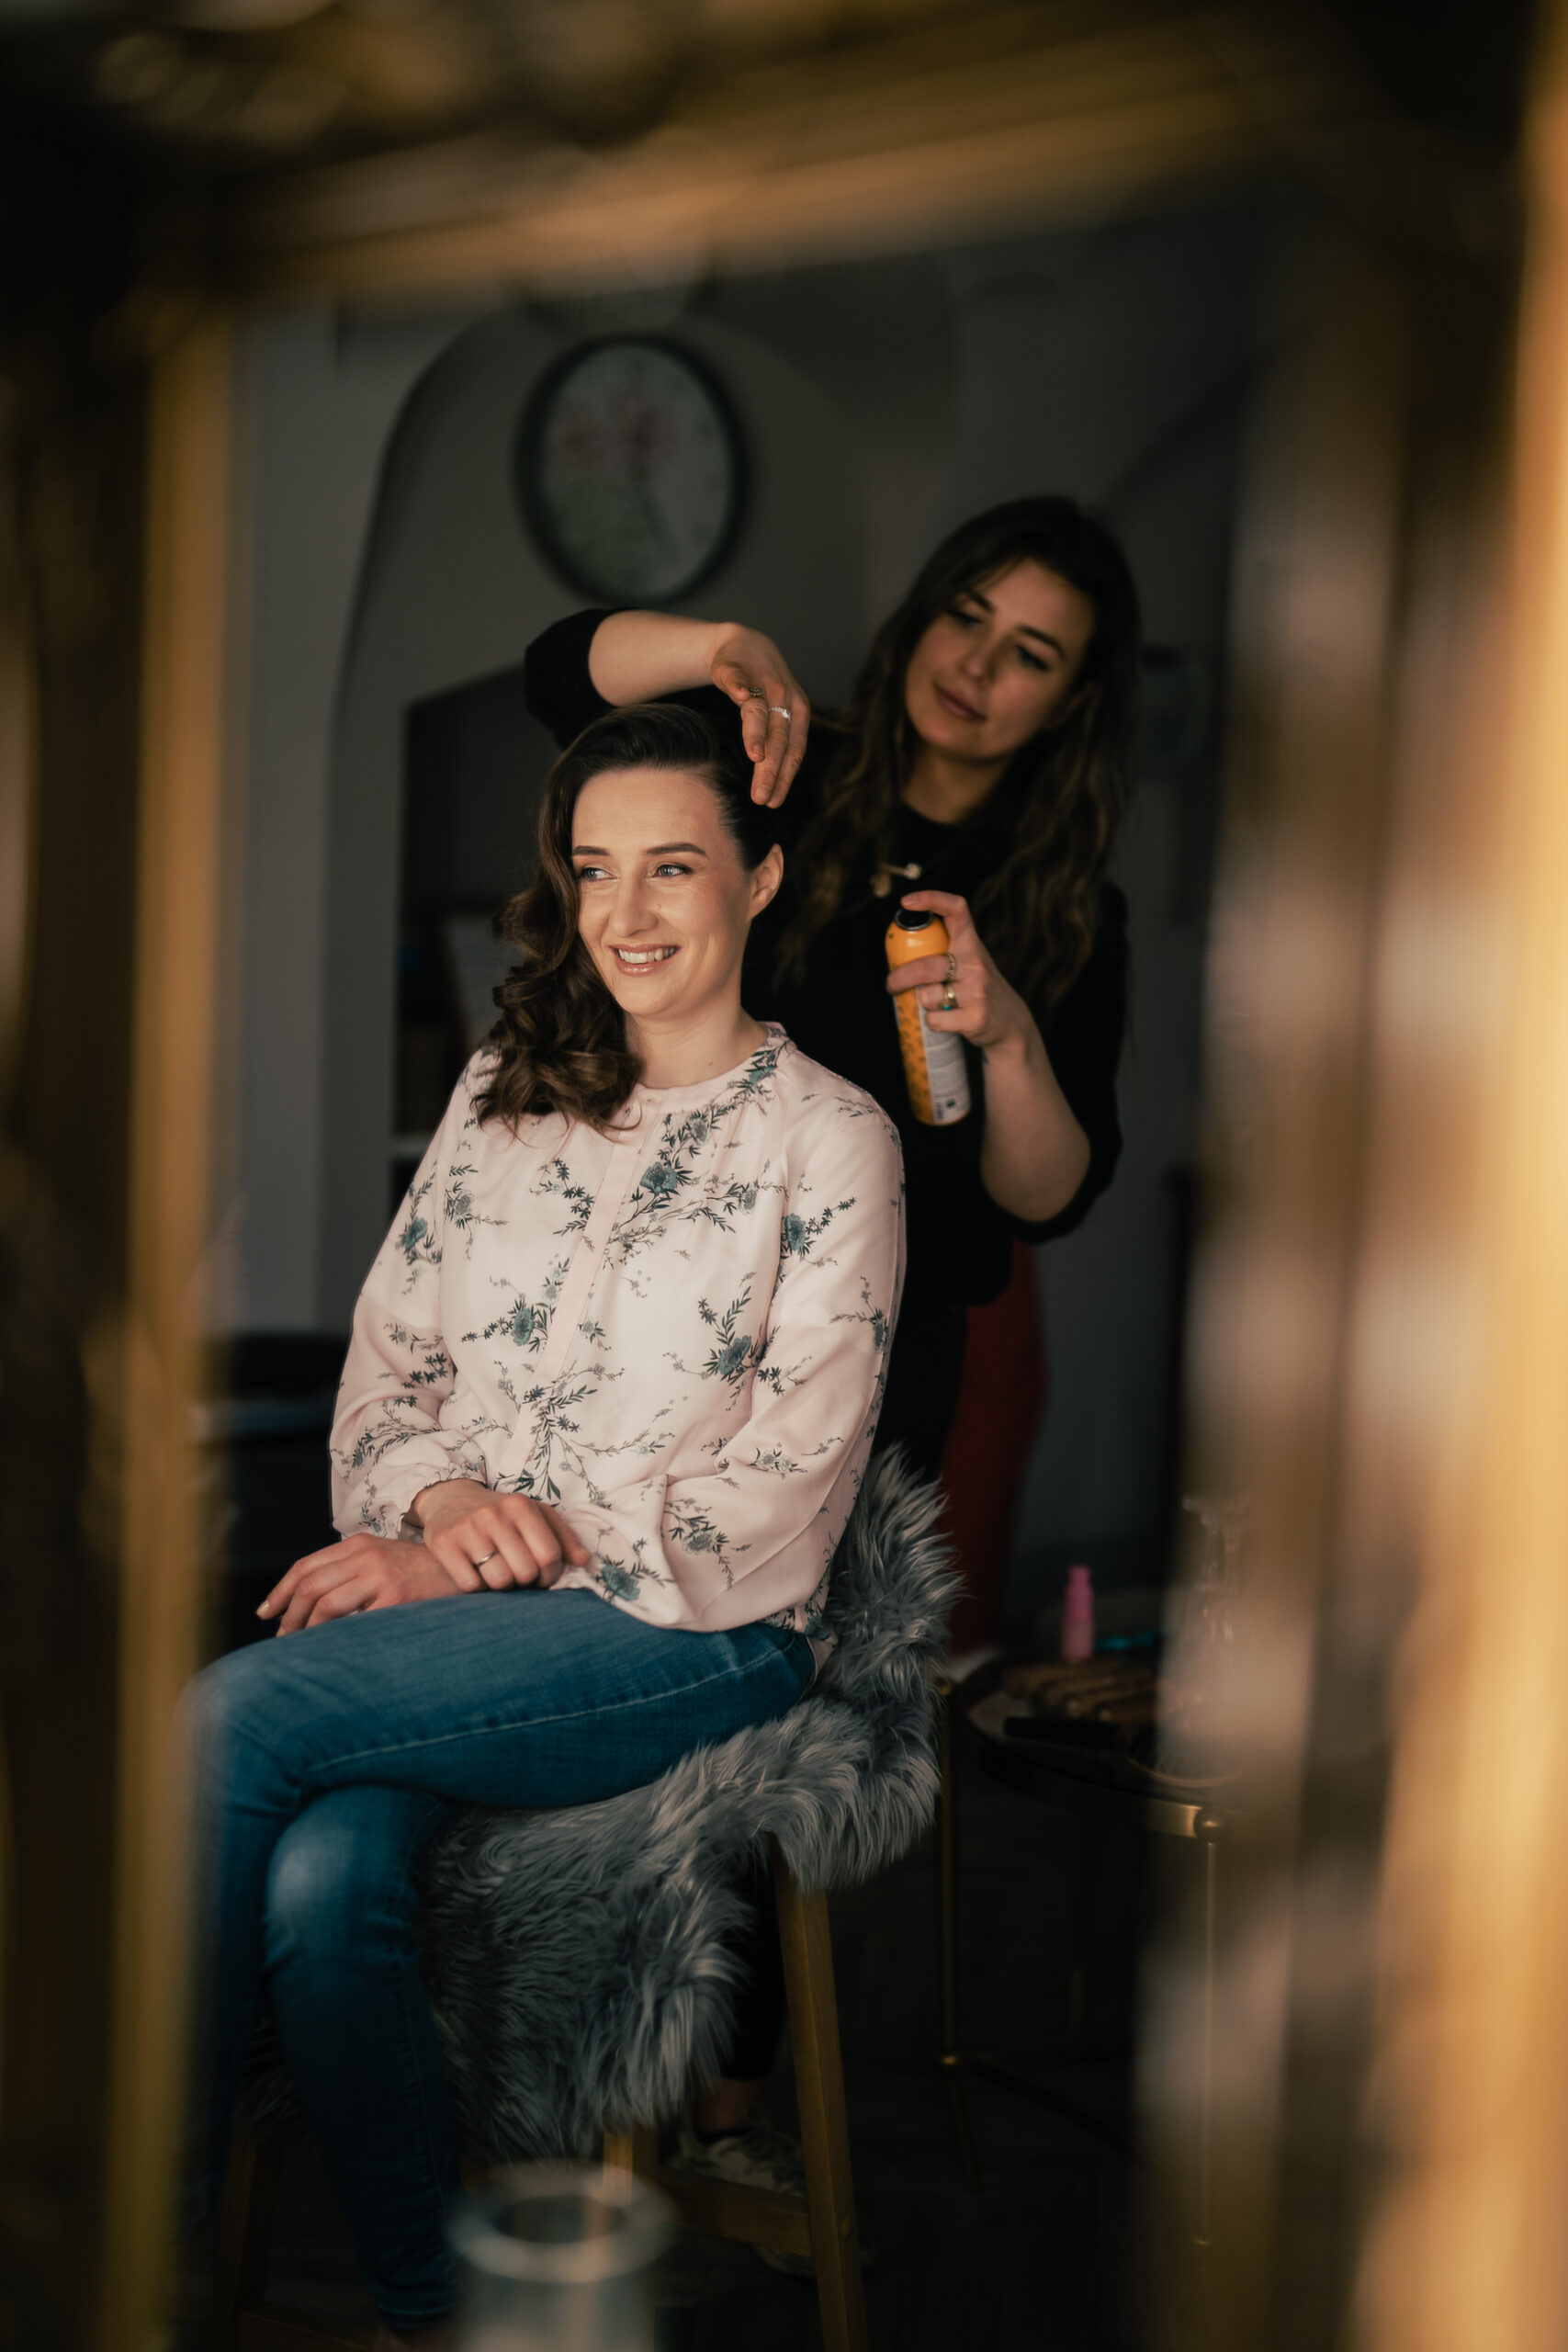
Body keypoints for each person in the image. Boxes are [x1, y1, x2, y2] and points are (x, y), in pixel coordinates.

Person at [186, 703, 905, 2349]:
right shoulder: (501, 1093)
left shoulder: (836, 1143)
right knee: (314, 1886)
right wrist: (436, 1499)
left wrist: (486, 1545)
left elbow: (784, 1495)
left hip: (697, 1633)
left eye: (674, 866)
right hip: (466, 1622)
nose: (629, 913)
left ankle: (130, 2264)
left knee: (228, 1720)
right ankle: (439, 2313)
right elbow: (389, 1367)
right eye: (596, 872)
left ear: (764, 874)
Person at [523, 494, 1138, 2219]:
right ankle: (577, 2066)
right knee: (620, 1693)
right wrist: (723, 655)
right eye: (968, 615)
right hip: (663, 1328)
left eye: (1034, 655)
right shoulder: (785, 763)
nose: (979, 668)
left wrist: (1006, 1030)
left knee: (778, 1732)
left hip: (880, 1365)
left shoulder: (1065, 896)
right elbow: (553, 669)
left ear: (1070, 701)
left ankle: (721, 2097)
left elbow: (1053, 1192)